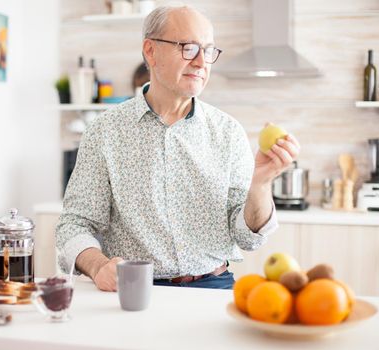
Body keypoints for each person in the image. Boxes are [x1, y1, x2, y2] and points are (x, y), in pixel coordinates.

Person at [56, 4, 300, 291]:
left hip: (214, 285)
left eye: (208, 51)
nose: (200, 62)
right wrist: (98, 267)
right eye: (188, 48)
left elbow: (248, 239)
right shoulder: (105, 131)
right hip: (135, 287)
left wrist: (259, 185)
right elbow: (73, 225)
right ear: (150, 51)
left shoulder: (228, 132)